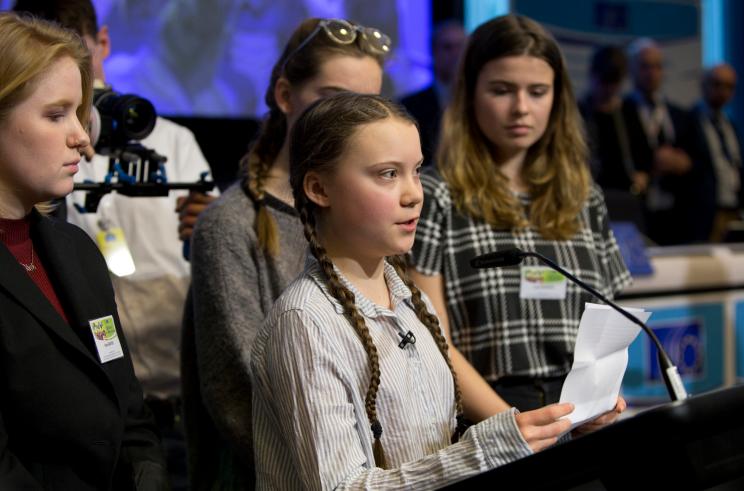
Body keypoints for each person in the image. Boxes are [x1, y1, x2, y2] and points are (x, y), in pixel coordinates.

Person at [251, 90, 579, 489]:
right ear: (319, 189)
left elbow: (434, 450)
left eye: (417, 170)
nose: (414, 194)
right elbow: (342, 486)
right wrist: (485, 449)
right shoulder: (306, 322)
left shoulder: (409, 299)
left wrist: (564, 430)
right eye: (387, 174)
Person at [12, 2, 215, 486]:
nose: (82, 138)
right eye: (56, 114)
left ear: (102, 43)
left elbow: (125, 397)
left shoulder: (75, 249)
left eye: (79, 113)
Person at [181, 18, 390, 489]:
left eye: (365, 107)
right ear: (284, 95)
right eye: (330, 97)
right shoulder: (231, 224)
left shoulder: (364, 218)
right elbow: (239, 396)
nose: (346, 122)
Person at [409, 15, 632, 412]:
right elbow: (432, 338)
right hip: (485, 413)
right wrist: (508, 426)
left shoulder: (584, 197)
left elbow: (607, 329)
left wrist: (600, 402)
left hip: (577, 410)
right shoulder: (436, 195)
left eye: (538, 91)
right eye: (501, 90)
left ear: (557, 99)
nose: (521, 108)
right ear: (470, 95)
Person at [622, 37, 696, 245]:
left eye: (657, 67)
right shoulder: (620, 113)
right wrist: (651, 163)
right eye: (645, 66)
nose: (651, 73)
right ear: (632, 69)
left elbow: (696, 161)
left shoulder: (678, 114)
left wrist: (685, 163)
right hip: (638, 209)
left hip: (676, 213)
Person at [400, 19, 467, 166]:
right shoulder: (408, 106)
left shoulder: (479, 102)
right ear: (433, 52)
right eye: (448, 47)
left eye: (461, 47)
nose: (456, 54)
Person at [689, 63, 743, 241]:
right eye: (717, 84)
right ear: (704, 85)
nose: (722, 91)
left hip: (733, 209)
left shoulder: (730, 125)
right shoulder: (689, 121)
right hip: (704, 212)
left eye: (728, 86)